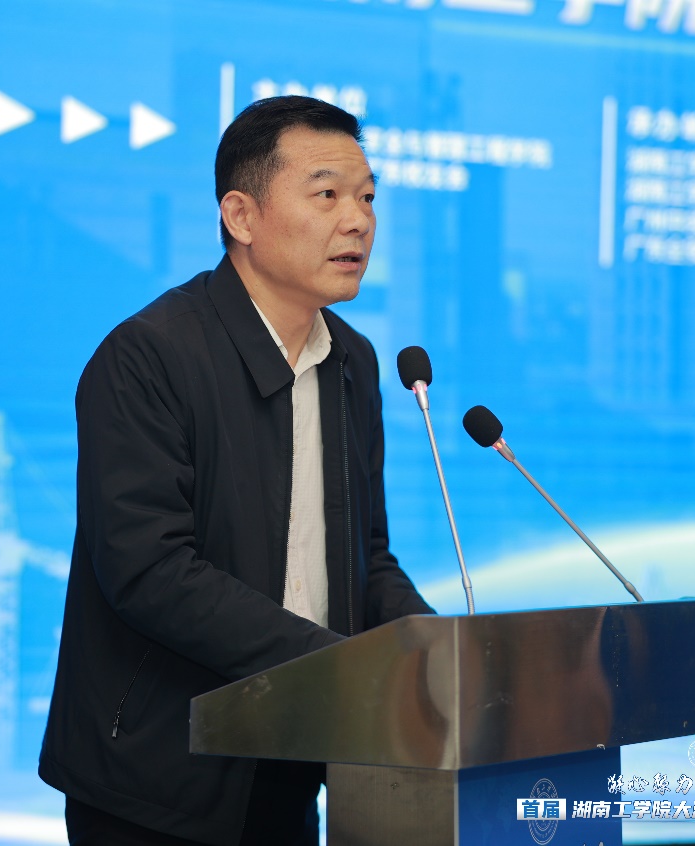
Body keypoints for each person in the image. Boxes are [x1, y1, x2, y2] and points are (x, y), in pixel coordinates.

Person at [38, 95, 435, 846]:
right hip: (154, 779)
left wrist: (434, 654)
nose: (357, 221)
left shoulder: (352, 361)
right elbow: (149, 571)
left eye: (366, 198)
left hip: (294, 758)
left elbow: (366, 558)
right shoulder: (148, 356)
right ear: (241, 216)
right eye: (326, 195)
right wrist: (339, 666)